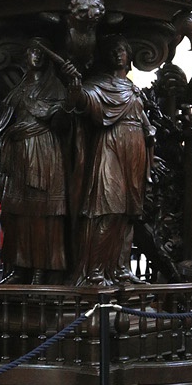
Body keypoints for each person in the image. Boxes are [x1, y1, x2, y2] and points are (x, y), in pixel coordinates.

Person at [68, 38, 153, 284]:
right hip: (110, 144)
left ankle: (120, 269)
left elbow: (141, 116)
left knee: (127, 213)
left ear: (129, 57)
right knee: (106, 209)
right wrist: (75, 89)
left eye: (122, 50)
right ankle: (94, 269)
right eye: (114, 50)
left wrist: (149, 130)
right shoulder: (100, 84)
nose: (118, 54)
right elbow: (86, 102)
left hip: (134, 147)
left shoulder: (133, 88)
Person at [0, 41, 69, 281]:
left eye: (41, 53)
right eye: (32, 51)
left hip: (43, 150)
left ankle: (40, 269)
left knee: (42, 215)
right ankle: (19, 266)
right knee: (16, 215)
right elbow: (8, 126)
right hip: (18, 154)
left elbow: (62, 122)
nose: (36, 56)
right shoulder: (20, 88)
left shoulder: (54, 87)